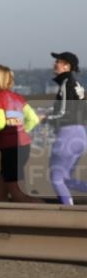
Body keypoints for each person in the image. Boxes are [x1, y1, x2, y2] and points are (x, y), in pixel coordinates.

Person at [0, 64, 41, 203]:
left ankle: (49, 215)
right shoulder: (18, 97)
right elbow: (33, 119)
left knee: (17, 192)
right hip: (24, 146)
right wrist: (21, 132)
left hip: (10, 148)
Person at [46, 51, 87, 206]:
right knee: (65, 179)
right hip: (81, 134)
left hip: (68, 133)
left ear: (67, 66)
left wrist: (45, 118)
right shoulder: (77, 84)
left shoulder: (66, 83)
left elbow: (63, 112)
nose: (55, 64)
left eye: (59, 62)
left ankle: (69, 212)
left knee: (56, 178)